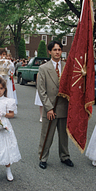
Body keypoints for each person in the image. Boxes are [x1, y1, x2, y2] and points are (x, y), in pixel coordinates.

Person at [37, 40, 73, 170]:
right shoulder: (44, 68)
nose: (57, 52)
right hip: (50, 108)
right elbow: (41, 91)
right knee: (47, 135)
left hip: (64, 107)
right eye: (55, 50)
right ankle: (43, 157)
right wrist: (49, 108)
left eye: (59, 50)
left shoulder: (67, 67)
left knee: (63, 135)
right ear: (50, 51)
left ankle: (65, 156)